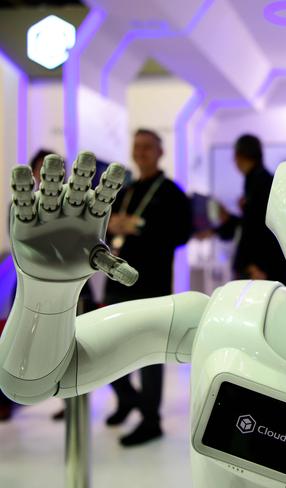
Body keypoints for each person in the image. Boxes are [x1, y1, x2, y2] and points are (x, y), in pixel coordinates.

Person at [104, 128, 192, 446]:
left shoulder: (171, 192)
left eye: (147, 147)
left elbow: (183, 233)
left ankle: (150, 419)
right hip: (117, 280)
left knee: (149, 354)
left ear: (160, 152)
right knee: (110, 348)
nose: (140, 152)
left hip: (151, 283)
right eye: (136, 146)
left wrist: (140, 226)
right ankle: (128, 399)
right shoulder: (125, 191)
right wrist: (112, 225)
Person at [0, 149, 52, 422]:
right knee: (17, 340)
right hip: (28, 283)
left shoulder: (68, 208)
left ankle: (69, 401)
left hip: (62, 285)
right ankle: (8, 398)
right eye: (43, 170)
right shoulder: (19, 206)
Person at [208, 134, 286, 285]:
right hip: (259, 267)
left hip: (258, 269)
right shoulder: (259, 181)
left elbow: (262, 229)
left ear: (238, 156)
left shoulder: (260, 183)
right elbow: (253, 222)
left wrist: (258, 265)